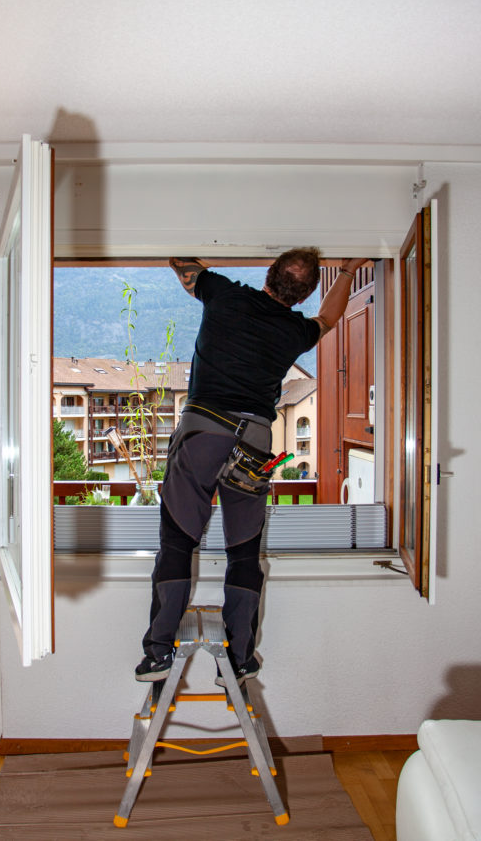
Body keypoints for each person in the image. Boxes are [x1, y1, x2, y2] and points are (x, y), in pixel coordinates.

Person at [135, 249, 368, 685]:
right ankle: (240, 657)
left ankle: (158, 652)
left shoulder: (223, 294)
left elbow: (181, 266)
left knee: (178, 542)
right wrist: (351, 269)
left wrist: (190, 257)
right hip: (254, 443)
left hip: (204, 432)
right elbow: (330, 317)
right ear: (306, 293)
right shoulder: (296, 331)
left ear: (268, 272)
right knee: (244, 550)